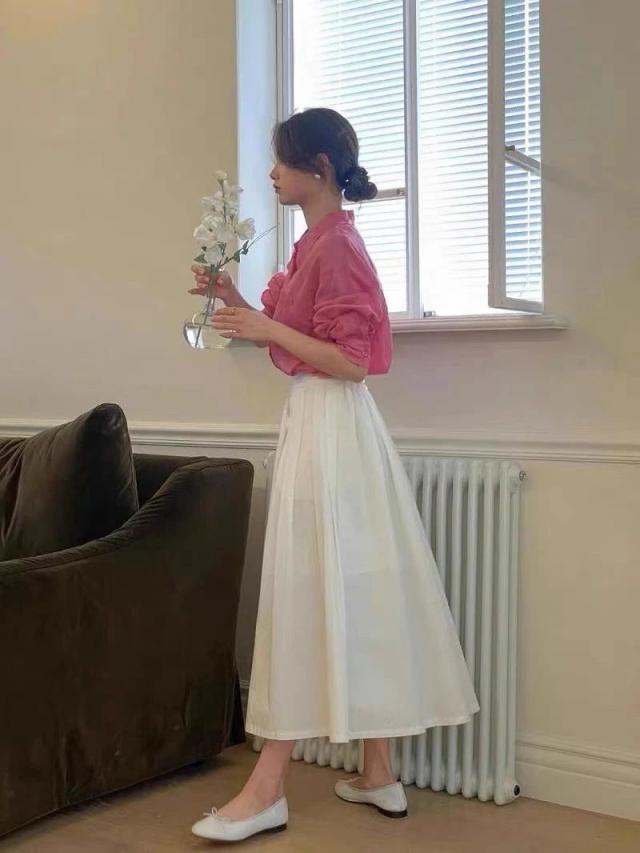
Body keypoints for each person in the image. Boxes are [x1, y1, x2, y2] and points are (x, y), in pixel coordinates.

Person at [189, 108, 480, 844]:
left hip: (333, 424)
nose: (271, 174)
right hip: (325, 423)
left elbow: (351, 362)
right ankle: (378, 770)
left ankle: (266, 789)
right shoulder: (315, 242)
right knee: (356, 583)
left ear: (318, 168)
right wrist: (234, 303)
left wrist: (265, 327)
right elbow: (299, 338)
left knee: (309, 586)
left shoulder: (339, 246)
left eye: (282, 162)